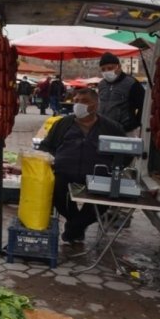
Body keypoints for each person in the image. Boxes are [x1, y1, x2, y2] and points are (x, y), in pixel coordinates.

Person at [38, 88, 125, 243]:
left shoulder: (112, 128)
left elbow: (124, 153)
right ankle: (76, 226)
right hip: (64, 172)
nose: (78, 105)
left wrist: (114, 168)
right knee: (57, 194)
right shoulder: (63, 124)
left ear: (96, 105)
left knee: (103, 200)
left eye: (84, 102)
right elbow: (46, 146)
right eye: (76, 101)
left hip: (98, 176)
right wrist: (50, 159)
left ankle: (74, 228)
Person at [97, 52, 145, 135]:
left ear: (118, 67)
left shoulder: (131, 83)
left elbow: (143, 105)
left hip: (125, 131)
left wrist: (135, 124)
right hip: (104, 130)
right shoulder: (101, 84)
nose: (106, 71)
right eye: (103, 69)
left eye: (110, 68)